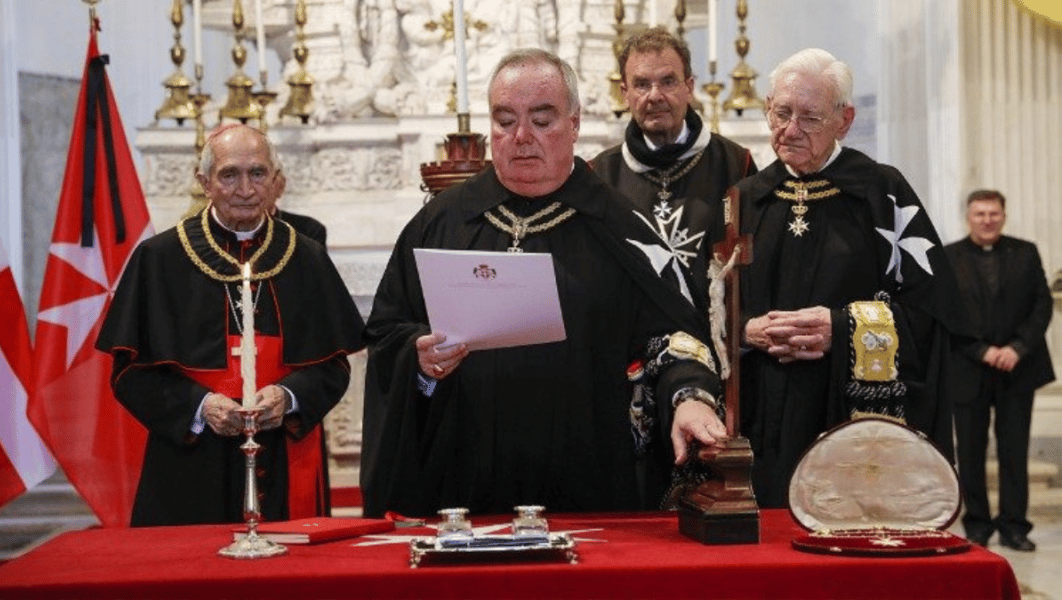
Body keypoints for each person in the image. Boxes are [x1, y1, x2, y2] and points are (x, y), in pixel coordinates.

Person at [361, 48, 726, 518]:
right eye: (504, 119)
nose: (521, 137)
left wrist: (689, 399)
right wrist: (418, 356)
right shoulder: (441, 223)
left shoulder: (620, 227)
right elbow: (387, 332)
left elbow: (675, 338)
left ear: (573, 125)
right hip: (462, 485)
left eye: (541, 119)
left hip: (585, 482)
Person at [96, 124, 365, 526]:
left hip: (285, 454)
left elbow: (334, 366)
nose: (245, 189)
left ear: (275, 181)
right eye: (229, 175)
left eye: (257, 173)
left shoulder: (305, 257)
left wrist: (289, 397)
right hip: (190, 461)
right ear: (204, 182)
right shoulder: (160, 259)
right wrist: (201, 407)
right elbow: (129, 374)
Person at [735, 48, 968, 508]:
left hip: (853, 418)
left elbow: (933, 313)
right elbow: (706, 308)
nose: (790, 130)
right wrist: (745, 330)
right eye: (781, 113)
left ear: (844, 120)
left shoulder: (883, 194)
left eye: (810, 117)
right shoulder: (744, 201)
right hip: (760, 419)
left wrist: (842, 328)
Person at [591, 27, 757, 309]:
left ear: (689, 87)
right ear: (625, 93)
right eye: (642, 84)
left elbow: (754, 269)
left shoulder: (735, 164)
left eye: (668, 82)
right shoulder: (600, 175)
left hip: (714, 341)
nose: (655, 96)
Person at [945, 189, 1054, 551]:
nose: (987, 220)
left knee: (1014, 450)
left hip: (1017, 369)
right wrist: (982, 350)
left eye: (994, 213)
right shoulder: (949, 256)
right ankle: (976, 525)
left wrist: (1017, 348)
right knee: (971, 452)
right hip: (969, 368)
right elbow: (947, 313)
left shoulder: (1025, 252)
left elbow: (1041, 306)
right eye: (980, 214)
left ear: (1004, 216)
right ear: (968, 217)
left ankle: (1014, 526)